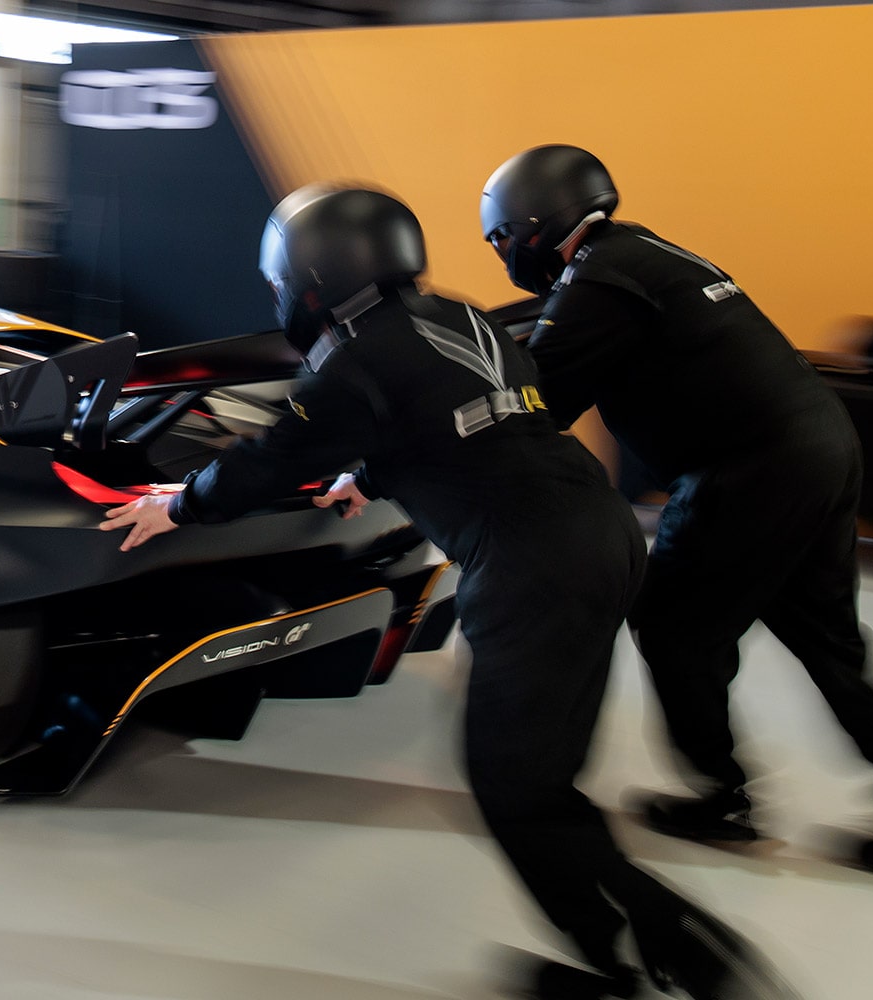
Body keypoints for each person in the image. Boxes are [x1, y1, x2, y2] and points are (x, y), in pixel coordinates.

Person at [103, 184, 797, 1000]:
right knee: (543, 776)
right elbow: (466, 414)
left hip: (533, 563)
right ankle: (620, 955)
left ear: (312, 280)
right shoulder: (458, 316)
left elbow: (269, 459)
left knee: (517, 788)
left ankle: (684, 957)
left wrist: (177, 505)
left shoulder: (354, 363)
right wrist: (370, 474)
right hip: (603, 533)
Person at [479, 144, 873, 873]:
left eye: (500, 240)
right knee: (828, 638)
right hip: (820, 446)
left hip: (749, 470)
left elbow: (538, 405)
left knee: (674, 628)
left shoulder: (597, 283)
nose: (503, 254)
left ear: (528, 226)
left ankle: (722, 798)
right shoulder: (644, 251)